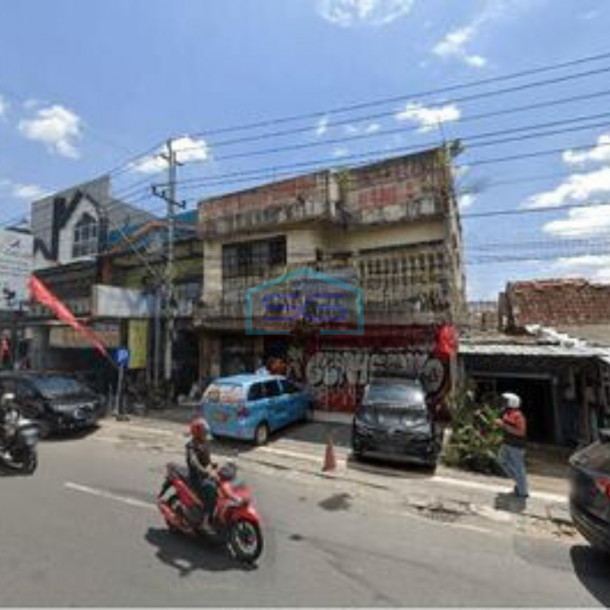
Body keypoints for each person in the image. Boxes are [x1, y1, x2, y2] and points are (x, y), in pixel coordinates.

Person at [186, 417, 218, 534]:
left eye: (206, 432)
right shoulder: (191, 446)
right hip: (196, 478)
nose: (206, 434)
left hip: (205, 475)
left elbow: (207, 458)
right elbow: (194, 462)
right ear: (197, 433)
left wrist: (212, 464)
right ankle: (204, 523)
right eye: (204, 432)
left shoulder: (204, 442)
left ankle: (214, 515)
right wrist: (205, 471)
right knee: (212, 493)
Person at [496, 392, 529, 499]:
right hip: (507, 443)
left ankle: (523, 491)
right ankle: (519, 482)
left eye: (505, 401)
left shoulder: (518, 415)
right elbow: (507, 428)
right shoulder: (507, 413)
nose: (503, 403)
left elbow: (521, 432)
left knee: (519, 468)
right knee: (501, 460)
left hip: (516, 446)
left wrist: (503, 425)